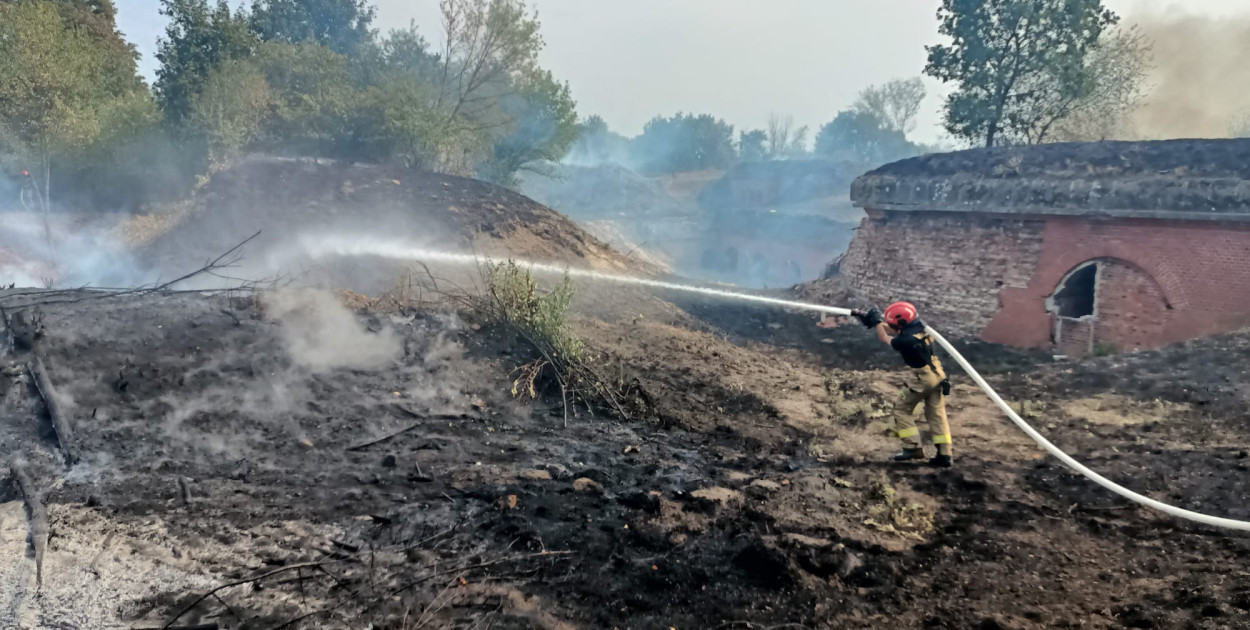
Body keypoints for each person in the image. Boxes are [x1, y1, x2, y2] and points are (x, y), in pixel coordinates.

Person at [818, 302, 953, 468]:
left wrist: (876, 323)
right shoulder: (918, 326)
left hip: (923, 379)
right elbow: (891, 328)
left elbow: (885, 337)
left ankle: (913, 448)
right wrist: (866, 319)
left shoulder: (905, 341)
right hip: (938, 375)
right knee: (936, 414)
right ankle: (945, 454)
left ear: (901, 323)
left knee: (902, 409)